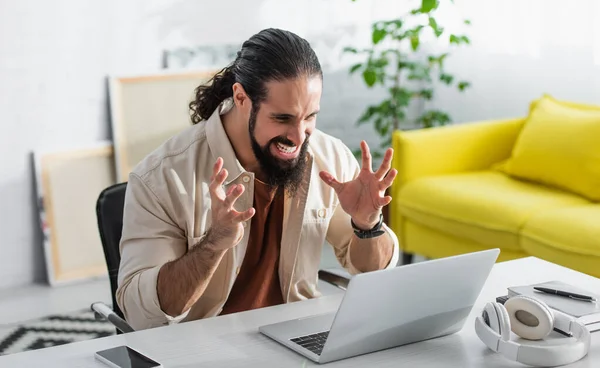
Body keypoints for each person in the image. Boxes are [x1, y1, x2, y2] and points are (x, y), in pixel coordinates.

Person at [116, 28, 400, 331]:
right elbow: (139, 314)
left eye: (310, 117)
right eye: (282, 118)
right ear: (241, 98)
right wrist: (213, 244)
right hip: (201, 348)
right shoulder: (162, 178)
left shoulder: (327, 157)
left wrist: (368, 226)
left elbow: (371, 272)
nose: (299, 136)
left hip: (297, 339)